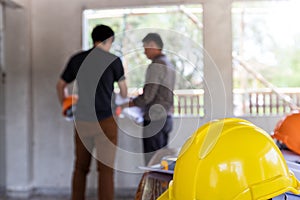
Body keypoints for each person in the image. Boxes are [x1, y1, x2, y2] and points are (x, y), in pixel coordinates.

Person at [56, 24, 127, 200]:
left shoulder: (77, 59)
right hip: (106, 121)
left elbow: (60, 85)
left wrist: (66, 106)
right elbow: (124, 91)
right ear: (109, 40)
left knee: (80, 168)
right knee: (106, 170)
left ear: (93, 39)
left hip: (82, 121)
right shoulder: (114, 60)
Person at [127, 33, 176, 164]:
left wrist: (130, 103)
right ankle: (163, 185)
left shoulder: (156, 65)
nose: (144, 52)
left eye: (145, 48)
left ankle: (153, 185)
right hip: (167, 117)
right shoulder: (169, 64)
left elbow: (148, 96)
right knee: (162, 161)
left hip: (155, 119)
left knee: (152, 163)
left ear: (153, 46)